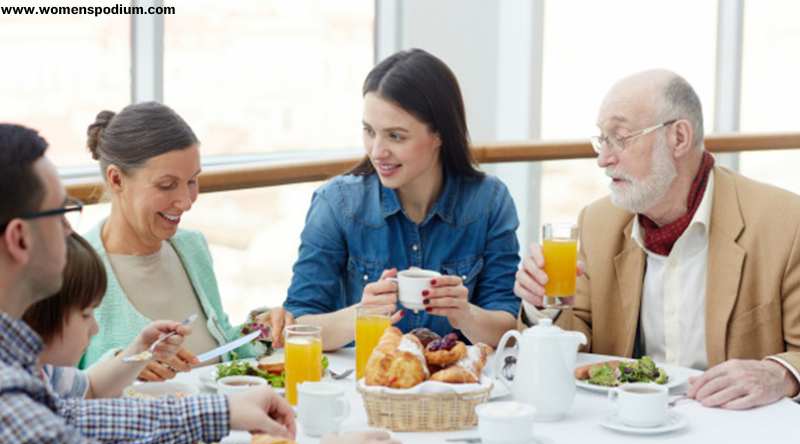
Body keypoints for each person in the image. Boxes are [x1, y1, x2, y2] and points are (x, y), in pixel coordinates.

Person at [514, 69, 800, 409]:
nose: (604, 158)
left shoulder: (784, 221)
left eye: (620, 137)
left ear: (678, 138)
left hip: (734, 428)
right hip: (628, 424)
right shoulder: (598, 222)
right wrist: (543, 304)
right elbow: (579, 349)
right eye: (602, 140)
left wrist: (779, 374)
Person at [0, 123, 295, 444]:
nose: (70, 231)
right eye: (61, 214)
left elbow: (71, 413)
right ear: (19, 238)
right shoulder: (11, 406)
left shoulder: (22, 367)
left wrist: (222, 411)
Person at [284, 48, 521, 350]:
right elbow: (298, 324)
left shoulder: (489, 201)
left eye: (396, 136)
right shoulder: (337, 203)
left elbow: (509, 327)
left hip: (456, 390)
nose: (377, 151)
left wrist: (465, 315)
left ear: (439, 135)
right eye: (369, 131)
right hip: (365, 387)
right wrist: (361, 315)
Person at [79, 102, 292, 378]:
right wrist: (120, 365)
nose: (186, 201)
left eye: (192, 181)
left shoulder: (191, 247)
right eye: (167, 185)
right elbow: (52, 385)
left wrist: (260, 332)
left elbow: (219, 345)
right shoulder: (75, 269)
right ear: (117, 179)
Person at [23, 232, 192, 398]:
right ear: (38, 315)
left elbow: (92, 389)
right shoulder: (18, 399)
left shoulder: (47, 373)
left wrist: (142, 348)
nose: (95, 329)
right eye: (86, 314)